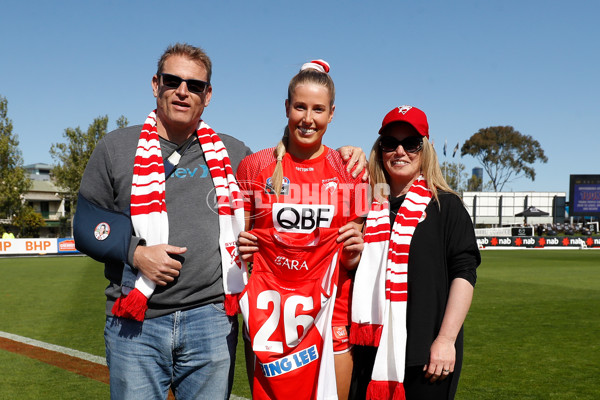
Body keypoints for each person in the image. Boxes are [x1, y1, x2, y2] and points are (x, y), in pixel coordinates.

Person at [73, 44, 366, 400]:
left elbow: (290, 163)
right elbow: (88, 225)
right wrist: (135, 253)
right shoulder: (116, 147)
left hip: (211, 321)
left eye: (195, 85)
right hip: (137, 323)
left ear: (207, 95)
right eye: (173, 81)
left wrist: (347, 153)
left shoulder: (235, 153)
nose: (183, 91)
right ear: (155, 84)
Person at [236, 60, 367, 399]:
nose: (308, 119)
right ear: (286, 108)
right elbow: (233, 240)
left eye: (318, 109)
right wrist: (241, 246)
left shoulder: (351, 170)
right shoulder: (255, 165)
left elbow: (363, 254)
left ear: (332, 113)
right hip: (269, 320)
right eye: (300, 107)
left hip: (332, 318)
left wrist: (357, 249)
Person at [349, 105, 480, 400]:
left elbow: (465, 273)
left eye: (411, 143)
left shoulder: (447, 206)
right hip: (369, 351)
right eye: (389, 143)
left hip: (428, 356)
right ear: (379, 149)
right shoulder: (364, 206)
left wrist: (446, 340)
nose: (399, 151)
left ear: (426, 150)